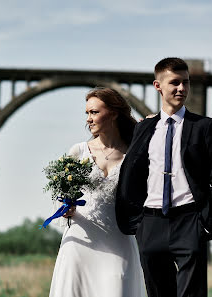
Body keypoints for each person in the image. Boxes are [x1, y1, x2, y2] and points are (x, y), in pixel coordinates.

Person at [116, 57, 212, 297]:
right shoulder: (144, 128)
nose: (182, 89)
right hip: (150, 223)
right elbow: (131, 174)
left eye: (186, 83)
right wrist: (137, 223)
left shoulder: (204, 126)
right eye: (175, 83)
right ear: (158, 86)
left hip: (190, 221)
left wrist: (208, 223)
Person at [49, 87, 145, 297]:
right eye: (87, 113)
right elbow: (61, 195)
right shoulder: (78, 151)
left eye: (94, 112)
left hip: (118, 239)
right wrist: (65, 207)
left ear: (113, 113)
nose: (89, 119)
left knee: (117, 286)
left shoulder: (134, 153)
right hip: (80, 240)